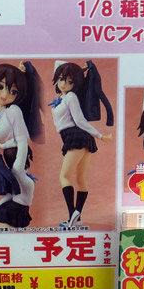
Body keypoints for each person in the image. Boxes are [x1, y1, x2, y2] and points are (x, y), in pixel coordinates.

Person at [0, 59, 42, 229]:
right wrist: (11, 72)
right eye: (0, 87)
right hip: (10, 205)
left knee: (7, 226)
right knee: (7, 227)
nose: (5, 94)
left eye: (13, 91)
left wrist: (18, 166)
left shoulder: (13, 111)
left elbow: (22, 141)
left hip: (17, 207)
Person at [50, 61, 112, 228]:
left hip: (75, 136)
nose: (64, 84)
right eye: (61, 79)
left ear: (75, 84)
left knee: (64, 176)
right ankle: (78, 219)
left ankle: (72, 214)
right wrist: (78, 70)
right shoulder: (62, 98)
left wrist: (100, 135)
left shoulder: (71, 97)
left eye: (70, 82)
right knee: (80, 178)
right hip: (77, 137)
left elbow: (80, 120)